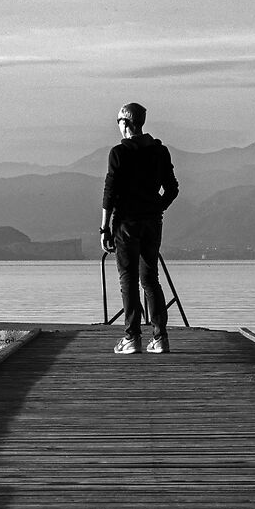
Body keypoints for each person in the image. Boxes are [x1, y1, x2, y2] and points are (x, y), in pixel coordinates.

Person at [99, 100, 179, 354]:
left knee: (128, 280)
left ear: (126, 123)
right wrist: (158, 207)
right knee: (150, 279)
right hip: (152, 223)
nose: (118, 126)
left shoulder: (119, 153)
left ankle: (132, 337)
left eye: (119, 122)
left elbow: (109, 193)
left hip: (126, 224)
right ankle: (160, 337)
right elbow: (173, 188)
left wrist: (104, 229)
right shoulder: (160, 151)